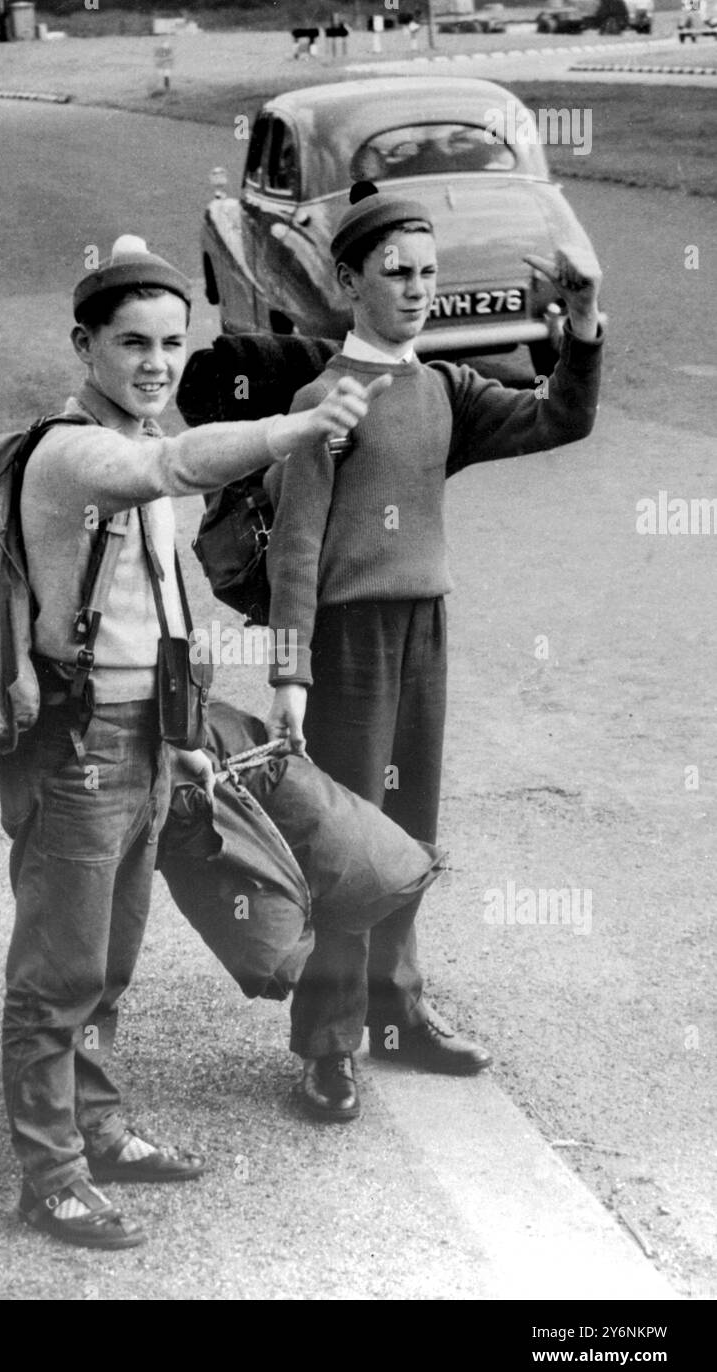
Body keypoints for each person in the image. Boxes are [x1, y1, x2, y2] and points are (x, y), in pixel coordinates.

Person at [0, 233, 388, 1248]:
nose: (158, 363)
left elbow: (163, 612)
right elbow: (175, 461)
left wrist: (185, 739)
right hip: (78, 747)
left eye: (174, 342)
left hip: (145, 740)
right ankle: (51, 1175)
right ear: (84, 346)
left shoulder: (136, 437)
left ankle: (98, 1123)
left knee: (112, 960)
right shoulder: (76, 452)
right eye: (133, 344)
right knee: (57, 971)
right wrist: (295, 424)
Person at [265, 182, 603, 1122]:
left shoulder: (447, 389)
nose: (417, 290)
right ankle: (329, 1043)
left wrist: (581, 326)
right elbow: (295, 549)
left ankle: (398, 1010)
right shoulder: (322, 402)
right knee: (349, 845)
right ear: (347, 280)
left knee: (411, 835)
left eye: (428, 274)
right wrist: (291, 672)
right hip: (348, 643)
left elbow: (561, 419)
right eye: (395, 272)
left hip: (425, 632)